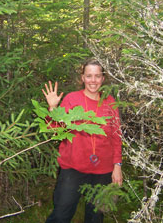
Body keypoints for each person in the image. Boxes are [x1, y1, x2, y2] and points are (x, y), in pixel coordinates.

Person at [42, 59, 122, 223]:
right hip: (73, 168)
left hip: (103, 170)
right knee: (61, 214)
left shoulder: (110, 102)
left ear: (103, 78)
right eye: (89, 76)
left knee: (95, 217)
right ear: (82, 78)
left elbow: (116, 136)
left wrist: (117, 165)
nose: (93, 80)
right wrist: (53, 108)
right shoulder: (72, 99)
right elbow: (56, 129)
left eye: (97, 76)